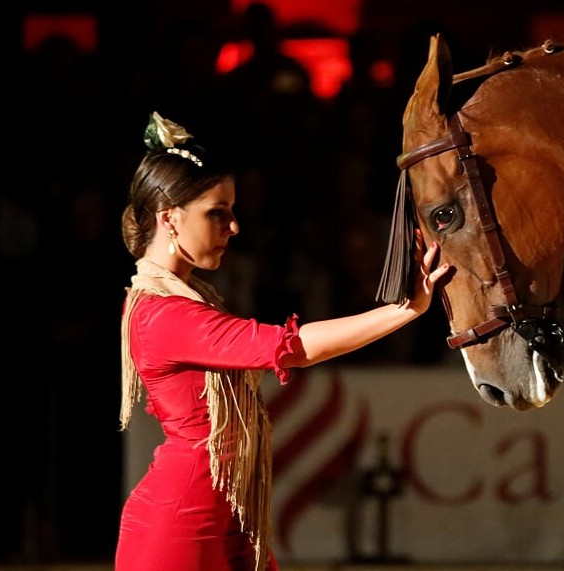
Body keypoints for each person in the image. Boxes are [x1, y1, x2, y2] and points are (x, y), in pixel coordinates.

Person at [115, 111, 450, 571]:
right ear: (169, 219)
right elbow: (291, 346)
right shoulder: (162, 314)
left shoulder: (180, 302)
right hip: (180, 526)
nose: (234, 227)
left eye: (232, 212)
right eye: (218, 213)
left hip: (229, 513)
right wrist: (404, 309)